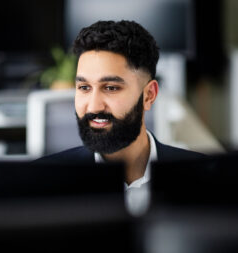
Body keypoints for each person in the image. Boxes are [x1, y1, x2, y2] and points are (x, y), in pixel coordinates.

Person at [34, 20, 204, 215]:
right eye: (84, 88)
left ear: (149, 95)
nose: (94, 105)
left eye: (111, 88)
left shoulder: (202, 177)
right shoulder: (44, 180)